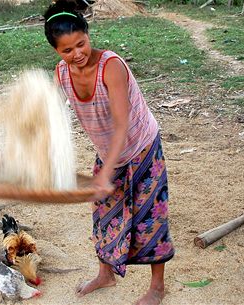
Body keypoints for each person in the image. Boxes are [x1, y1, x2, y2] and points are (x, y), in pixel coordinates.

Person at [43, 1, 175, 305]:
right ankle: (106, 274)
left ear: (89, 36)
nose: (77, 53)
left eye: (81, 43)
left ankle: (157, 287)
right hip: (108, 151)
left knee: (150, 218)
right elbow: (52, 118)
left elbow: (121, 125)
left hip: (141, 146)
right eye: (67, 50)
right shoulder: (61, 74)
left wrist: (106, 171)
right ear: (56, 52)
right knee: (104, 215)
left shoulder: (111, 66)